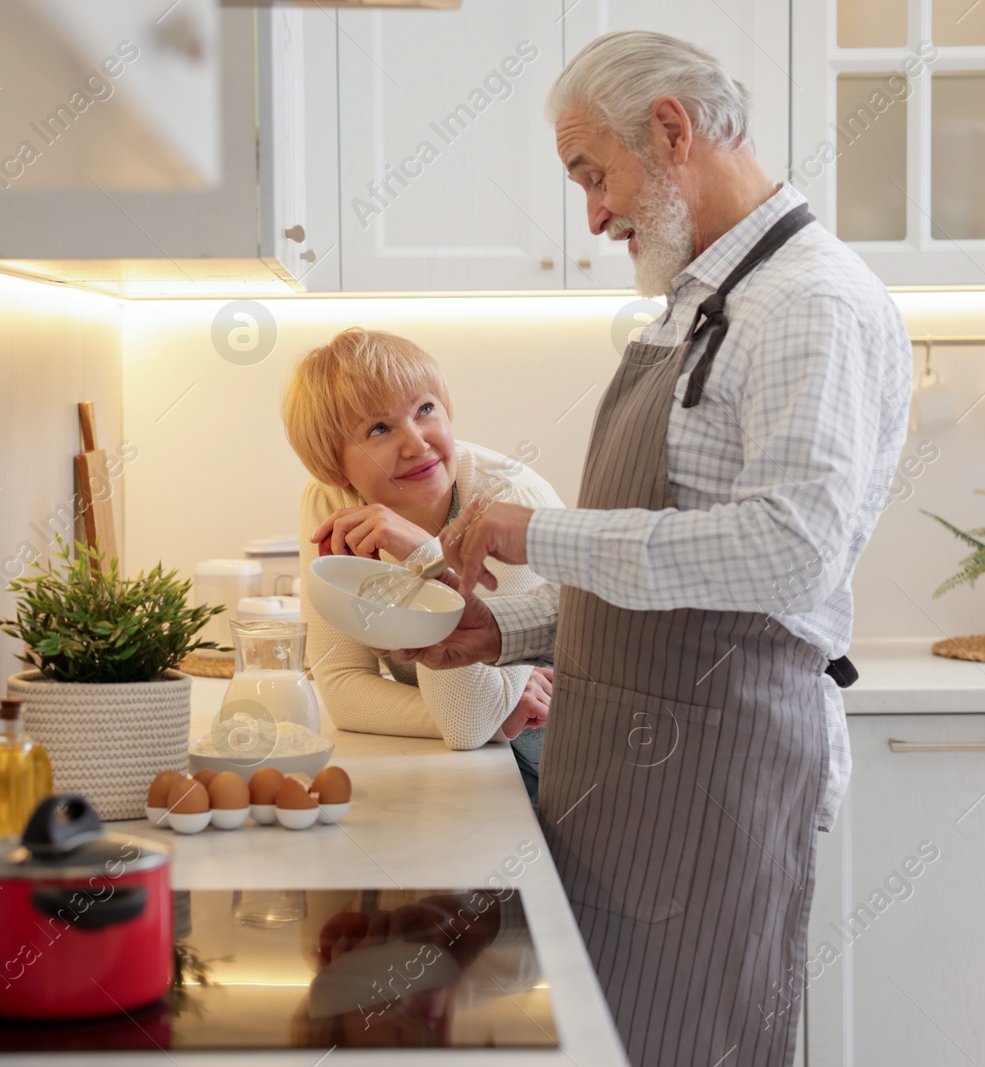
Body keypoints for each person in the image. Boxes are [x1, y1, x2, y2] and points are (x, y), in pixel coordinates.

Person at [384, 31, 914, 1067]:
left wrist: (533, 532)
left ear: (670, 130)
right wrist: (513, 626)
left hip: (715, 778)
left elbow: (787, 550)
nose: (590, 212)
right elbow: (681, 562)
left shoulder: (809, 303)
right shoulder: (703, 302)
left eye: (593, 172)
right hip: (623, 782)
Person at [281, 327, 562, 803]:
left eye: (425, 409)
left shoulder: (506, 499)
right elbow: (344, 688)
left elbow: (467, 725)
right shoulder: (329, 501)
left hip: (564, 761)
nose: (418, 443)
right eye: (378, 429)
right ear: (334, 467)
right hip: (474, 763)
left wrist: (423, 554)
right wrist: (495, 714)